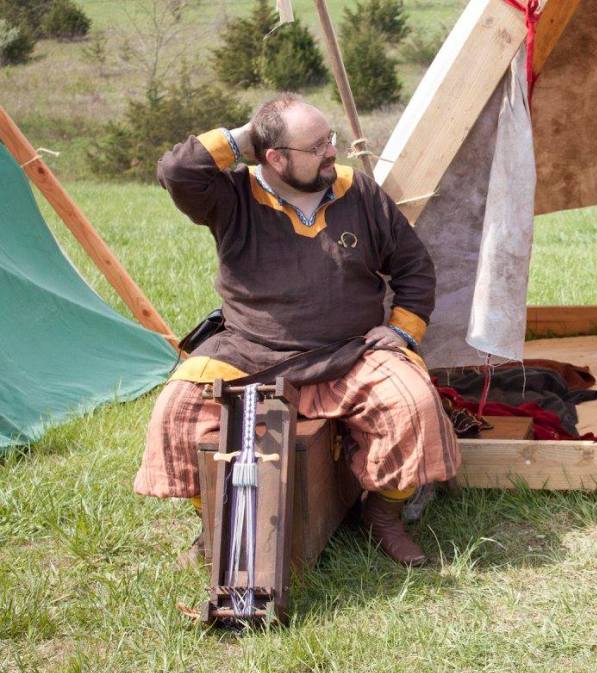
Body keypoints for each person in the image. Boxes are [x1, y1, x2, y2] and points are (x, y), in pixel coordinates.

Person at [133, 93, 460, 567]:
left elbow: (413, 266)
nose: (331, 152)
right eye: (316, 147)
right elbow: (177, 171)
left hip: (350, 351)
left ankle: (383, 517)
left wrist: (402, 329)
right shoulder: (232, 196)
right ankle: (215, 522)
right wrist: (244, 137)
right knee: (177, 411)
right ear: (274, 157)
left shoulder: (357, 191)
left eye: (330, 139)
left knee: (415, 404)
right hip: (248, 350)